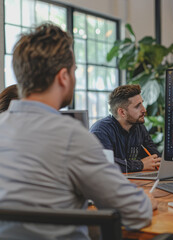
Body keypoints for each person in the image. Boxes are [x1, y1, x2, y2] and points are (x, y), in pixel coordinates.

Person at [0, 23, 154, 239]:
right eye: (74, 71)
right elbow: (136, 213)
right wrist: (147, 200)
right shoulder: (71, 136)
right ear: (63, 76)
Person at [90, 84, 161, 173]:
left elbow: (155, 157)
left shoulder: (139, 127)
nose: (144, 109)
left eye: (142, 103)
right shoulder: (101, 131)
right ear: (122, 112)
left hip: (133, 181)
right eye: (137, 106)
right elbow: (105, 164)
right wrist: (141, 165)